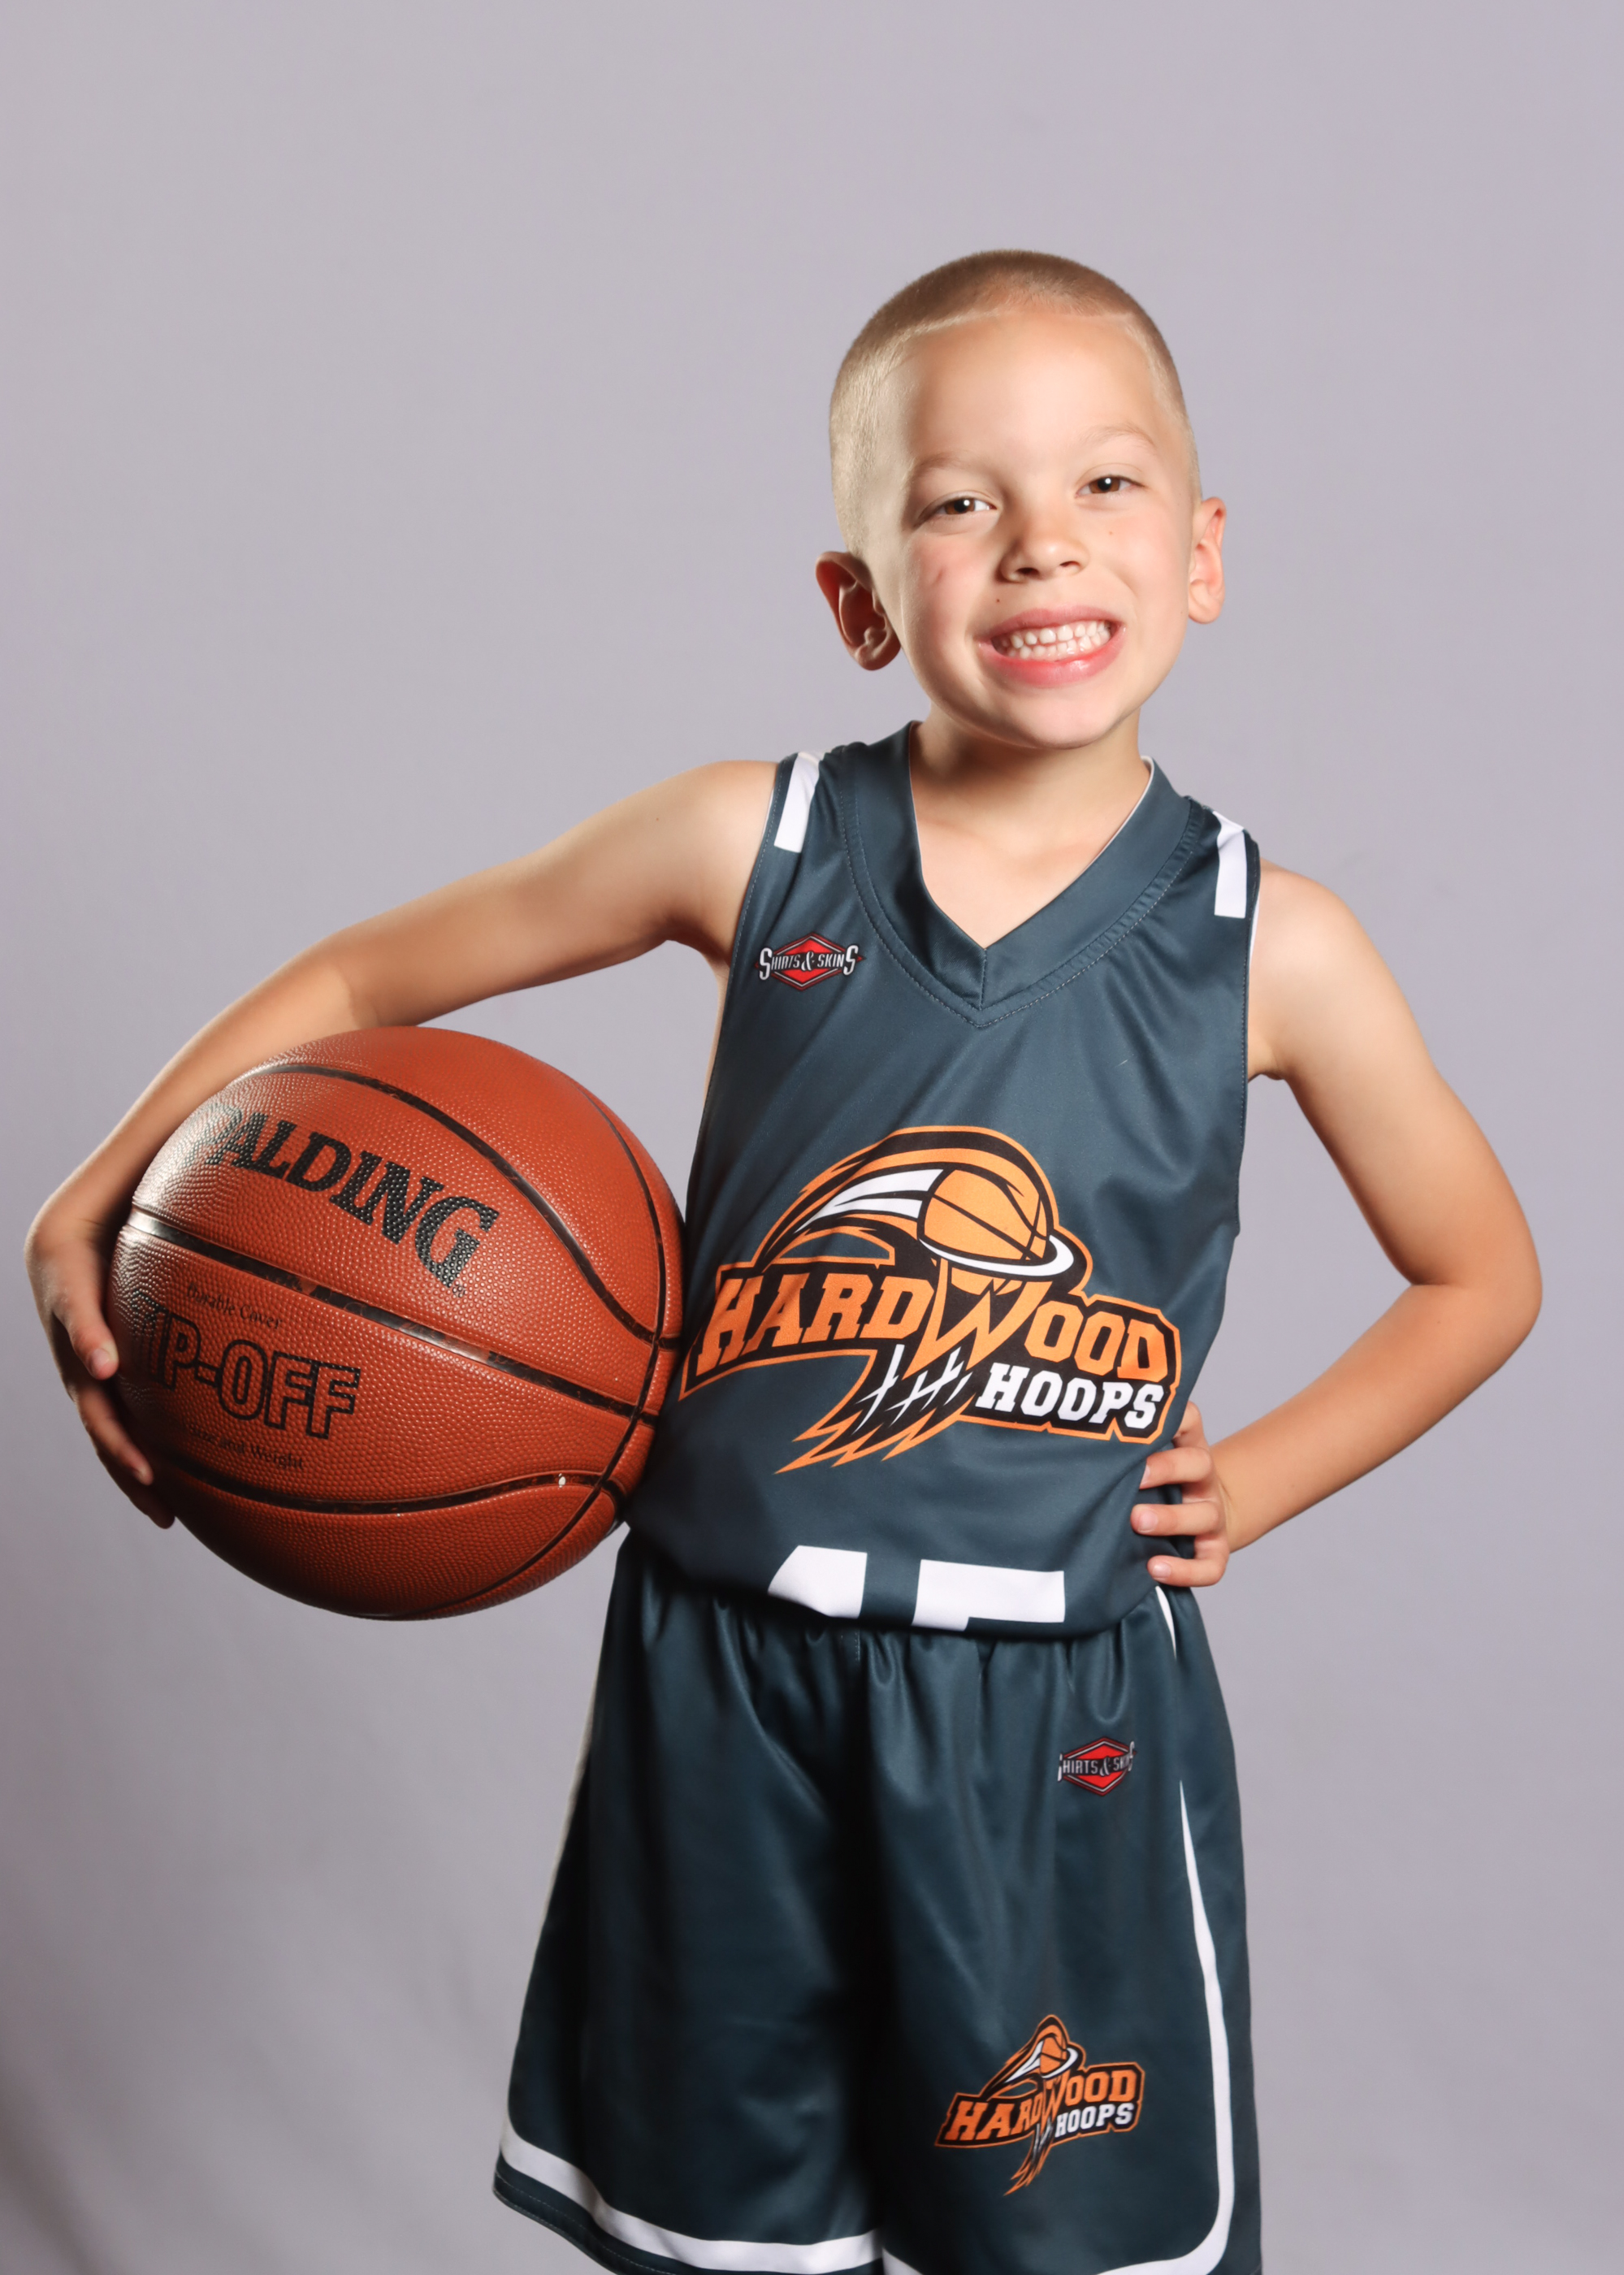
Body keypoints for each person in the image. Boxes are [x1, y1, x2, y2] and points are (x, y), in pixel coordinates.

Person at [25, 252, 1540, 2275]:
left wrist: (1256, 1474)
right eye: (958, 500)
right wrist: (107, 1183)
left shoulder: (1275, 941)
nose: (1038, 542)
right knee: (725, 2246)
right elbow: (373, 978)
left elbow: (1479, 1272)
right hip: (723, 1667)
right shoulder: (753, 839)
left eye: (1104, 483)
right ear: (857, 598)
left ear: (1199, 553)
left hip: (1043, 1699)